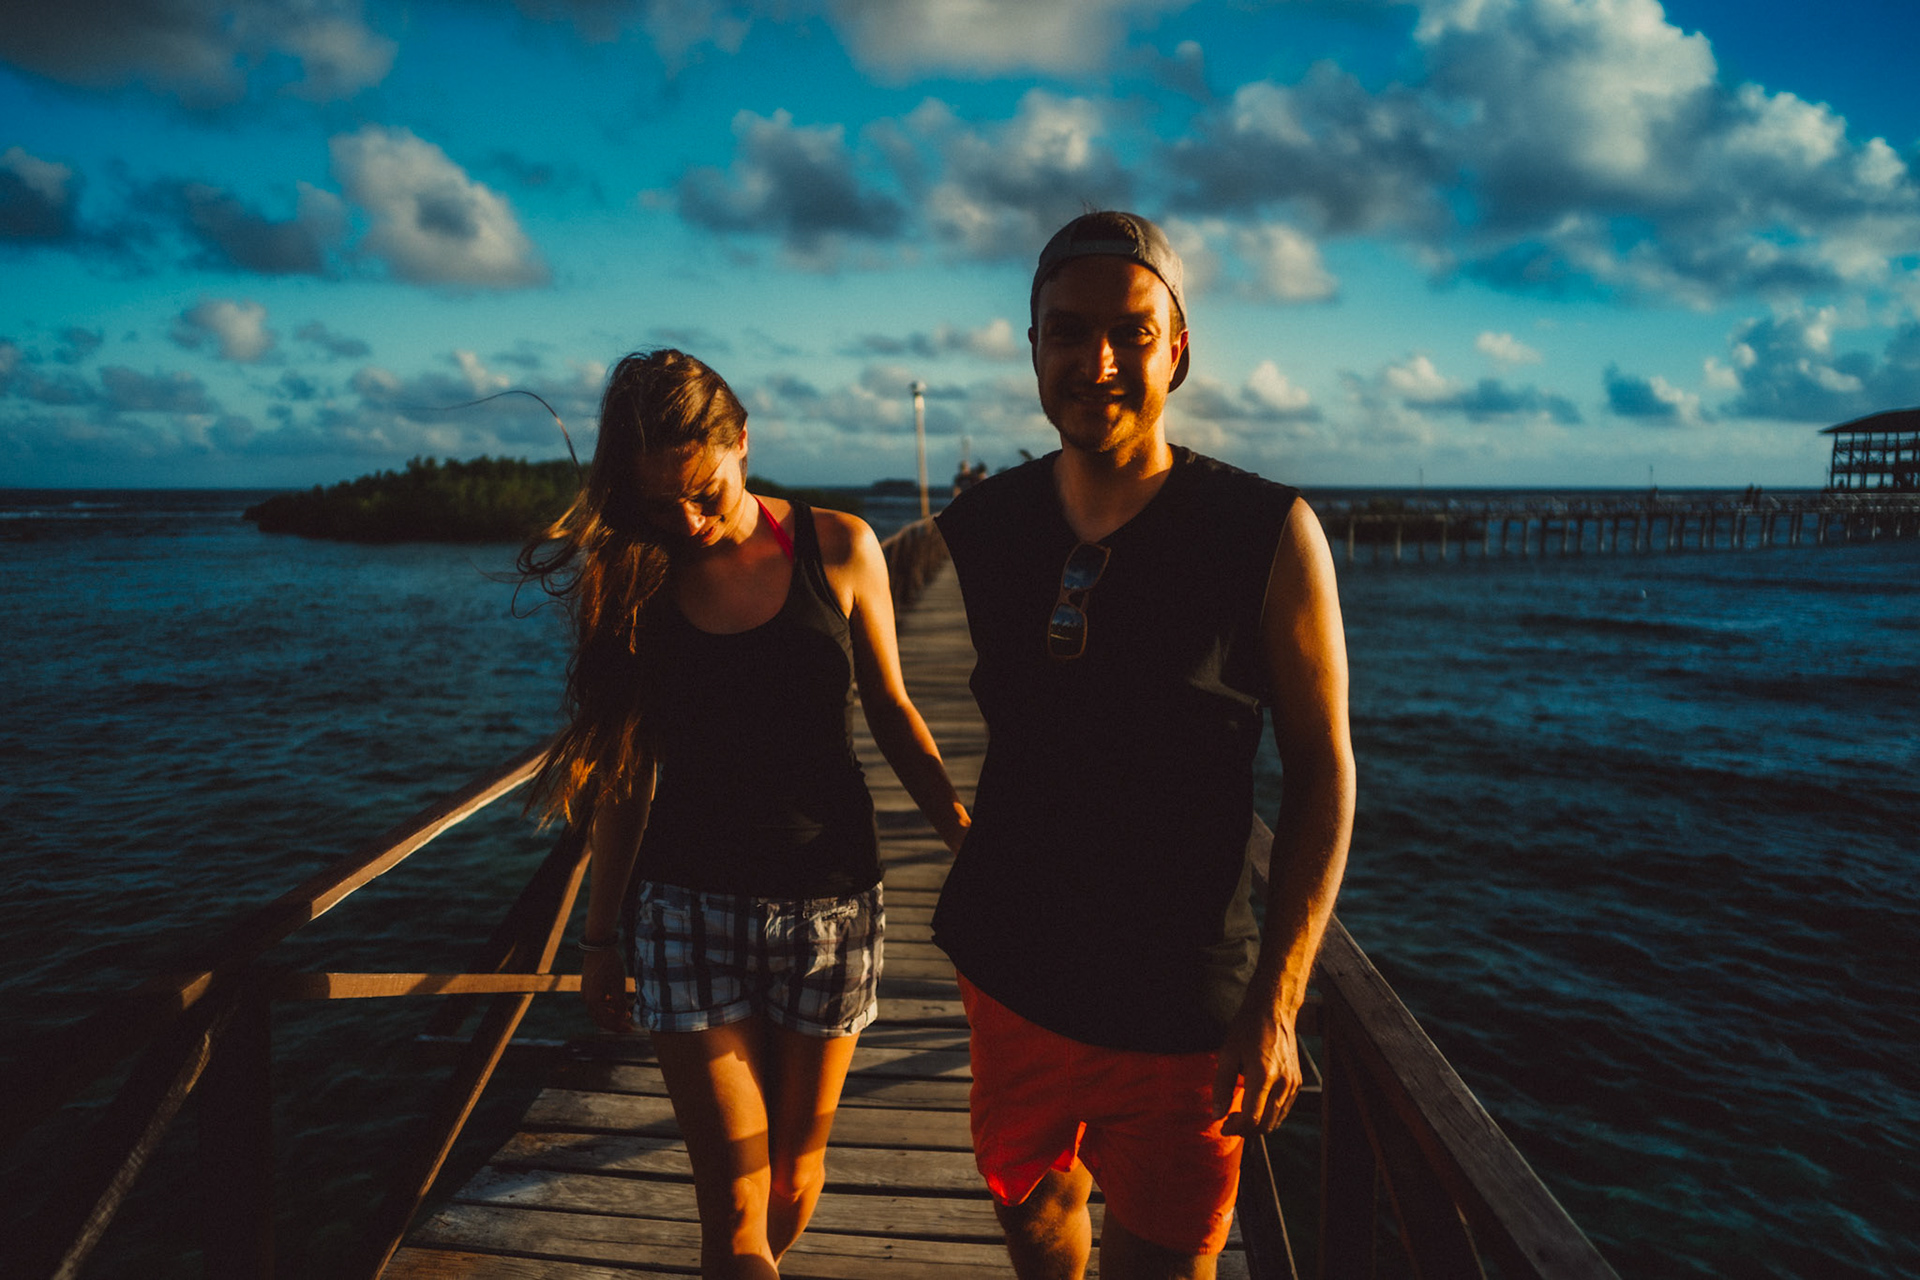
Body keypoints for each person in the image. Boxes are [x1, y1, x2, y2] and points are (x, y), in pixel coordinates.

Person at [933, 212, 1356, 1280]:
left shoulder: (1265, 533)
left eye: (1132, 330)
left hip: (1180, 1001)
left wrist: (1278, 1000)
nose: (1099, 361)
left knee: (1165, 1262)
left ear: (1178, 347)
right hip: (1011, 967)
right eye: (1067, 332)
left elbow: (1323, 772)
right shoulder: (985, 529)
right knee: (1034, 1217)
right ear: (1032, 346)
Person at [519, 349, 971, 1280]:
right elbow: (623, 774)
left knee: (793, 1183)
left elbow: (891, 709)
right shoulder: (633, 581)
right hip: (685, 912)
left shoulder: (839, 547)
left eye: (703, 491)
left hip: (831, 905)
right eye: (657, 503)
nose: (684, 519)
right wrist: (600, 938)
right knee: (730, 1206)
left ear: (743, 442)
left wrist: (964, 830)